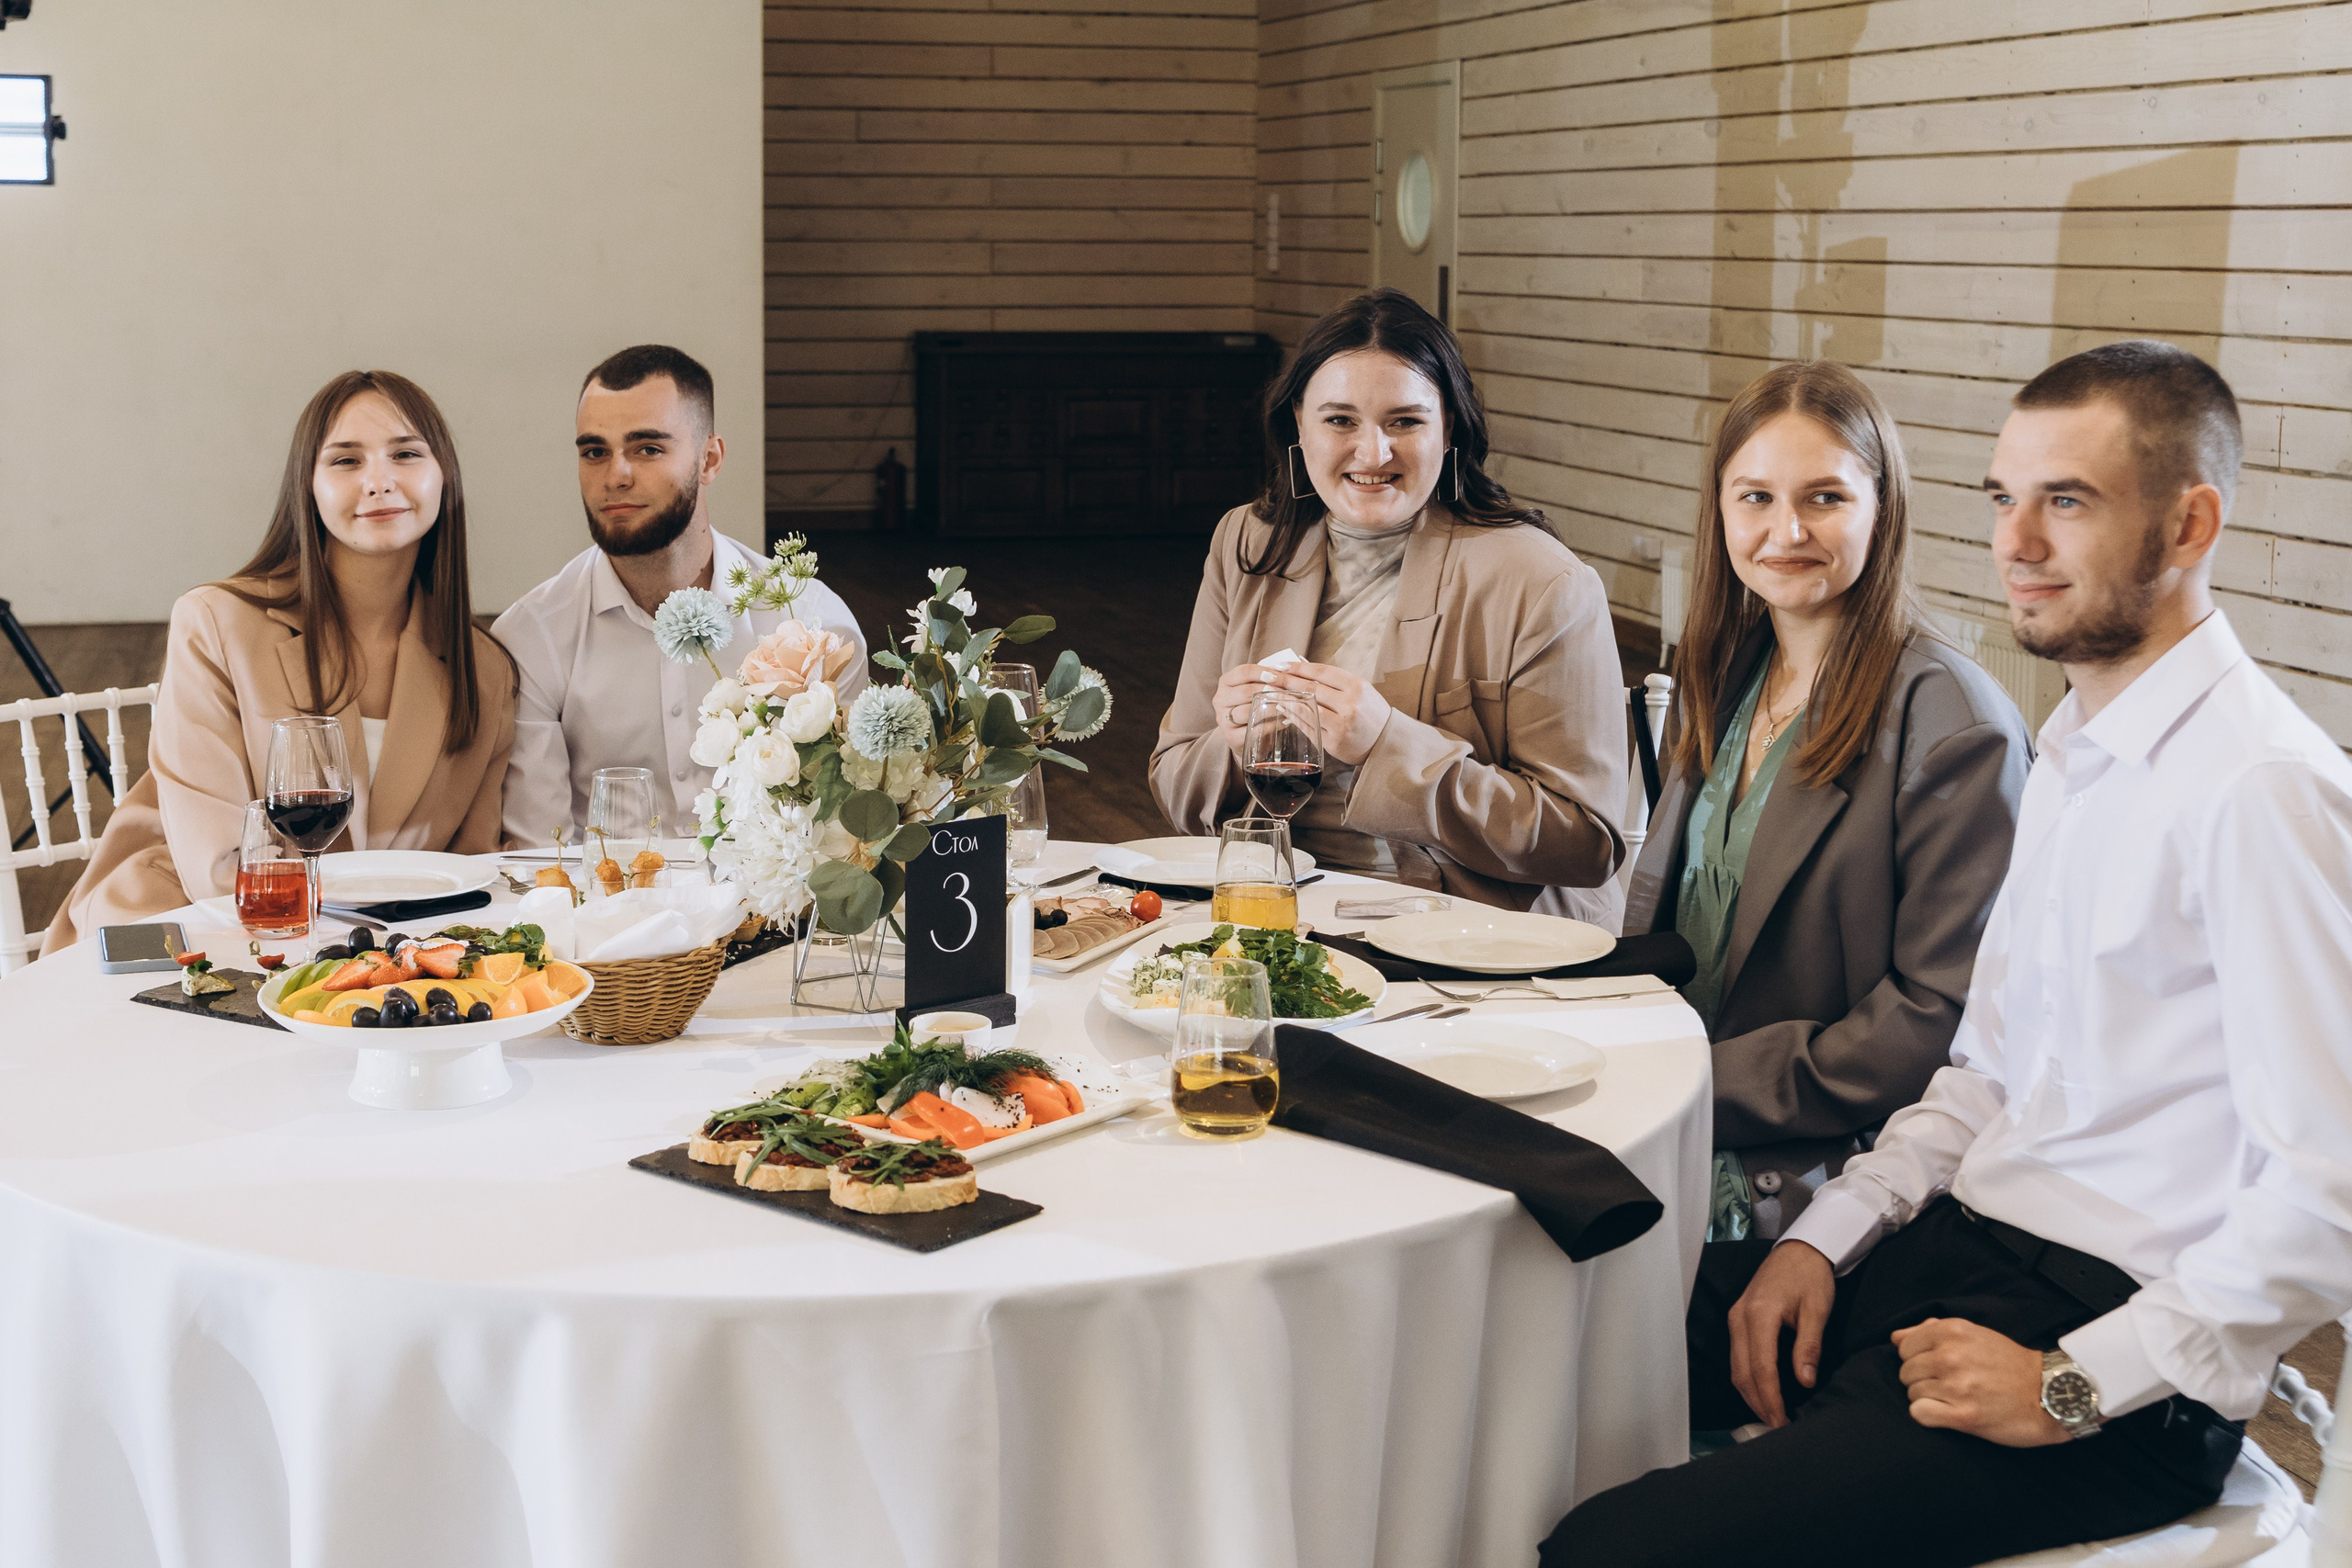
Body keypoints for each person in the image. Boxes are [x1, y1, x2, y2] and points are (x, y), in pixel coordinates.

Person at [1544, 339, 2352, 1567]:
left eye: (2067, 501)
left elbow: (2333, 1190)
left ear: (2191, 524)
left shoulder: (2262, 788)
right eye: (2002, 497)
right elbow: (1980, 1070)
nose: (2017, 541)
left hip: (2107, 1344)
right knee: (1521, 1350)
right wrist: (1823, 1241)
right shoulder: (2081, 740)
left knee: (1611, 1551)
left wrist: (2075, 1383)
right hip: (1946, 1246)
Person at [1624, 363, 2030, 1244]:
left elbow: (1938, 1017)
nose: (1786, 531)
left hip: (1816, 1177)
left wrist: (1695, 1079)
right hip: (1661, 1115)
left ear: (1882, 509)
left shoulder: (1955, 723)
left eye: (1825, 498)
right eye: (1756, 497)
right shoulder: (1720, 667)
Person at [1151, 288, 1627, 926]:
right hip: (1273, 918)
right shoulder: (1248, 541)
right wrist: (1233, 745)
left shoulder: (1544, 580)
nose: (1372, 453)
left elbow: (1586, 842)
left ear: (1449, 424)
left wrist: (1387, 743)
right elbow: (1176, 786)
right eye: (1339, 420)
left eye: (1404, 421)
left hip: (1466, 939)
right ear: (1298, 421)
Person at [44, 371, 514, 953]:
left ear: (445, 478)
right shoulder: (216, 624)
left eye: (406, 454)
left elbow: (473, 875)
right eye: (345, 461)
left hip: (380, 952)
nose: (378, 481)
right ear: (308, 488)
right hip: (186, 935)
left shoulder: (484, 670)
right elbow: (216, 870)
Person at [493, 344, 866, 851]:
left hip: (777, 915)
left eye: (647, 449)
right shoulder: (532, 637)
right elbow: (543, 853)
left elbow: (849, 833)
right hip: (606, 916)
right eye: (594, 451)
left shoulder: (809, 619)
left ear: (709, 459)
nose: (616, 475)